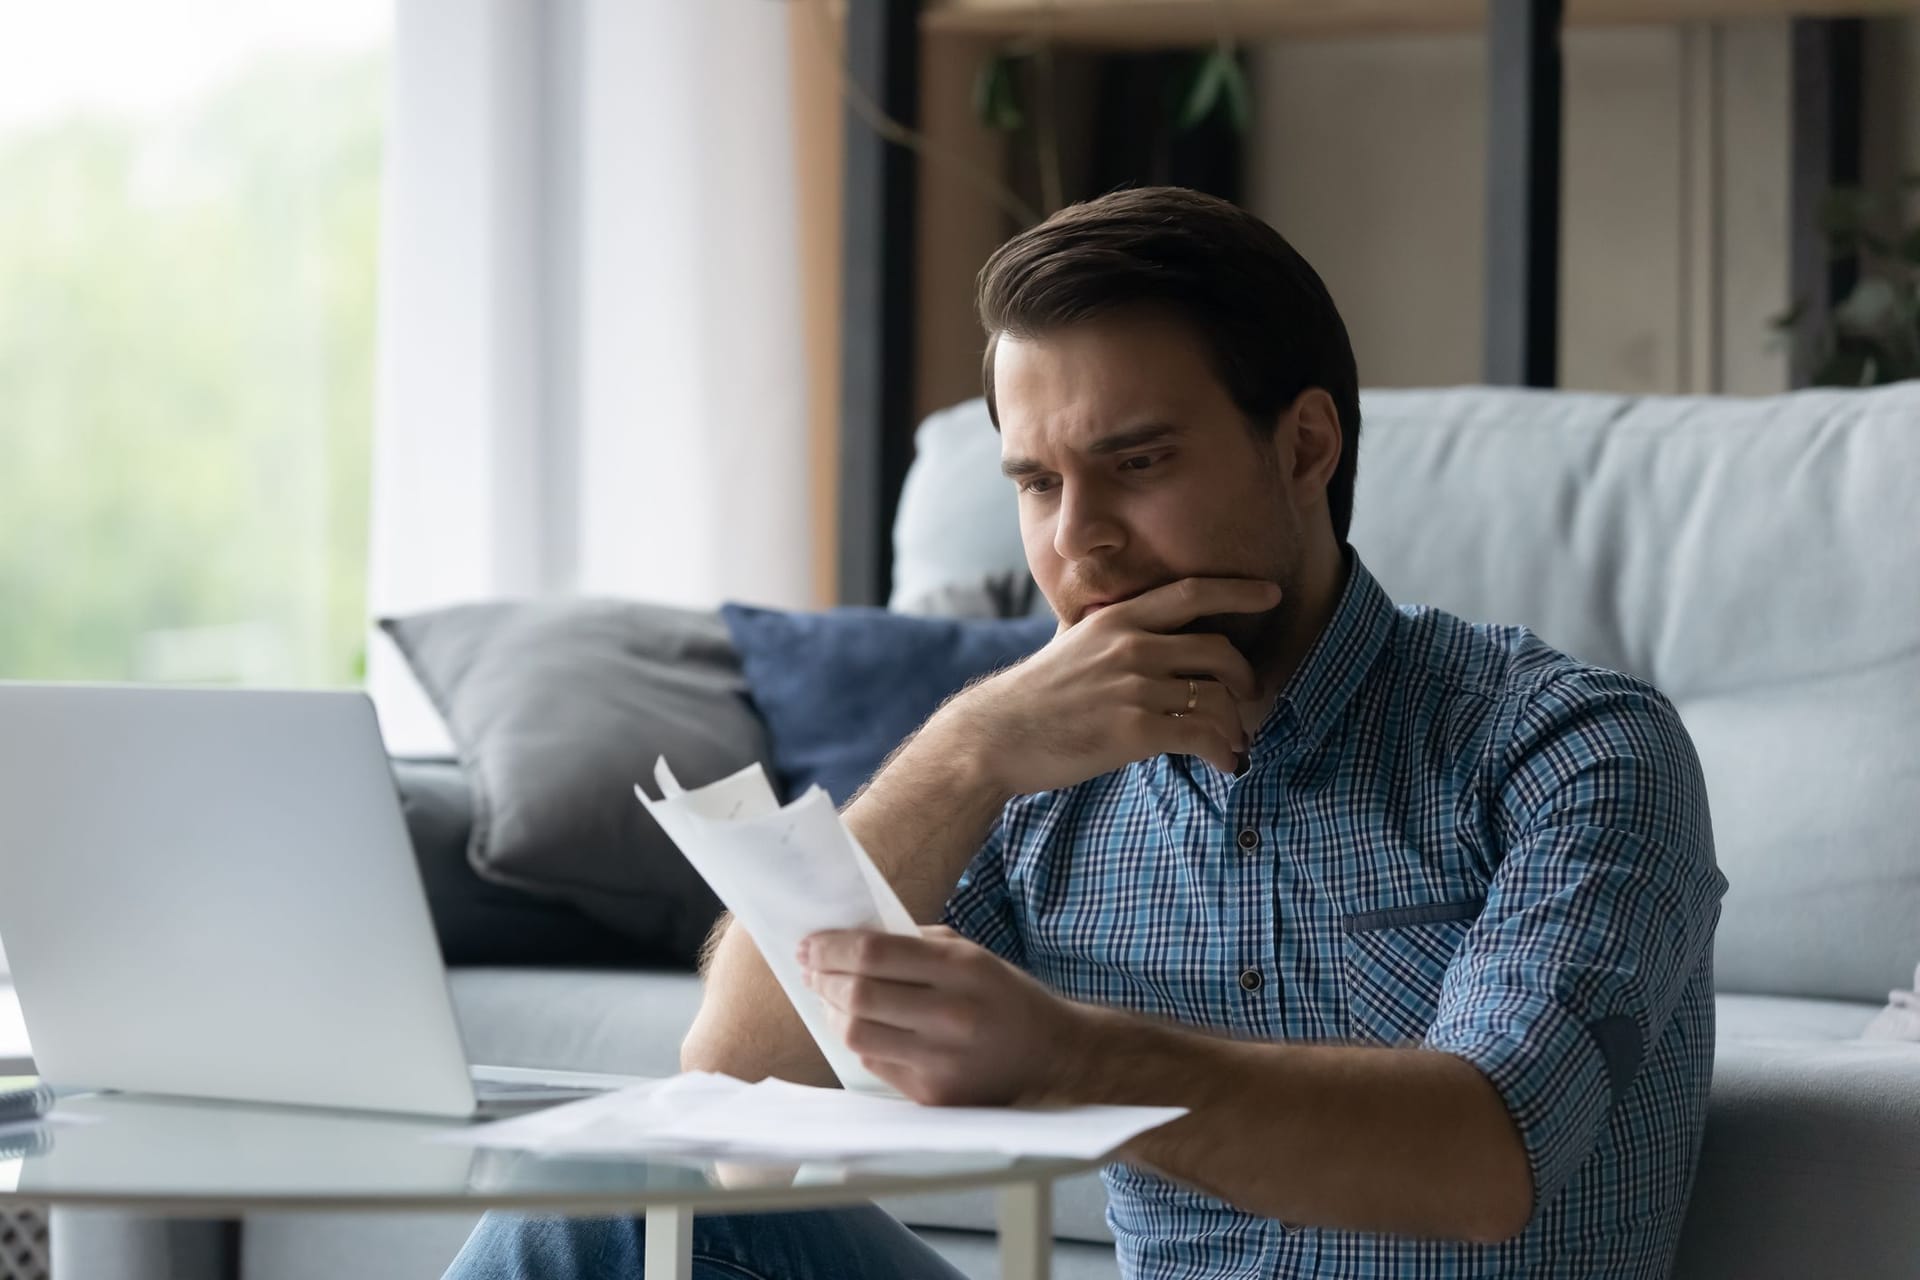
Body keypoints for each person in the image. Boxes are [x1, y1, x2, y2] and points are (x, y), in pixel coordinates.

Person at [448, 186, 1726, 1280]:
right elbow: (735, 1082)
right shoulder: (1043, 772)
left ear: (1306, 445)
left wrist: (1068, 1055)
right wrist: (971, 750)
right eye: (1038, 483)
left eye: (1139, 463)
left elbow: (1485, 1159)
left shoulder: (1570, 749)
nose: (1079, 542)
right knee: (609, 1202)